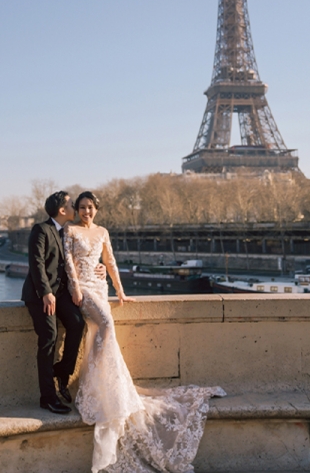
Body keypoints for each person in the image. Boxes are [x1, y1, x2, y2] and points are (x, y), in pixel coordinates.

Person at [64, 191, 225, 472]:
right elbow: (67, 260)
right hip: (82, 288)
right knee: (106, 324)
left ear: (97, 210)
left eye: (90, 207)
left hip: (100, 288)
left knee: (104, 328)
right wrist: (75, 286)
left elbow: (110, 261)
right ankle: (101, 383)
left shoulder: (102, 231)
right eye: (82, 207)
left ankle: (104, 381)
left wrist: (121, 291)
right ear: (76, 210)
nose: (86, 211)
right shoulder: (70, 230)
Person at [22, 190, 104, 414]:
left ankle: (62, 371)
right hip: (40, 295)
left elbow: (78, 261)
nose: (75, 206)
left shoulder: (68, 231)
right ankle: (47, 397)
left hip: (61, 293)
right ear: (61, 210)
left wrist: (99, 267)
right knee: (49, 337)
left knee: (77, 324)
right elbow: (36, 262)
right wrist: (45, 292)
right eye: (71, 204)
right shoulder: (41, 230)